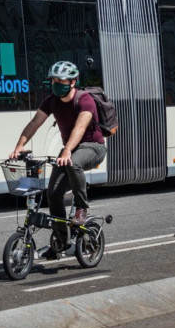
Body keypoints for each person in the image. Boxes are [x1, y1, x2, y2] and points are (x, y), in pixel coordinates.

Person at [9, 61, 108, 253]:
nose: (56, 84)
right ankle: (62, 240)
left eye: (61, 80)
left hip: (93, 147)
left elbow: (80, 127)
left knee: (74, 162)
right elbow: (34, 124)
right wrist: (19, 147)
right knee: (52, 193)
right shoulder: (51, 101)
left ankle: (81, 208)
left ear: (72, 82)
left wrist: (67, 150)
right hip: (69, 150)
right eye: (53, 80)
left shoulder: (84, 99)